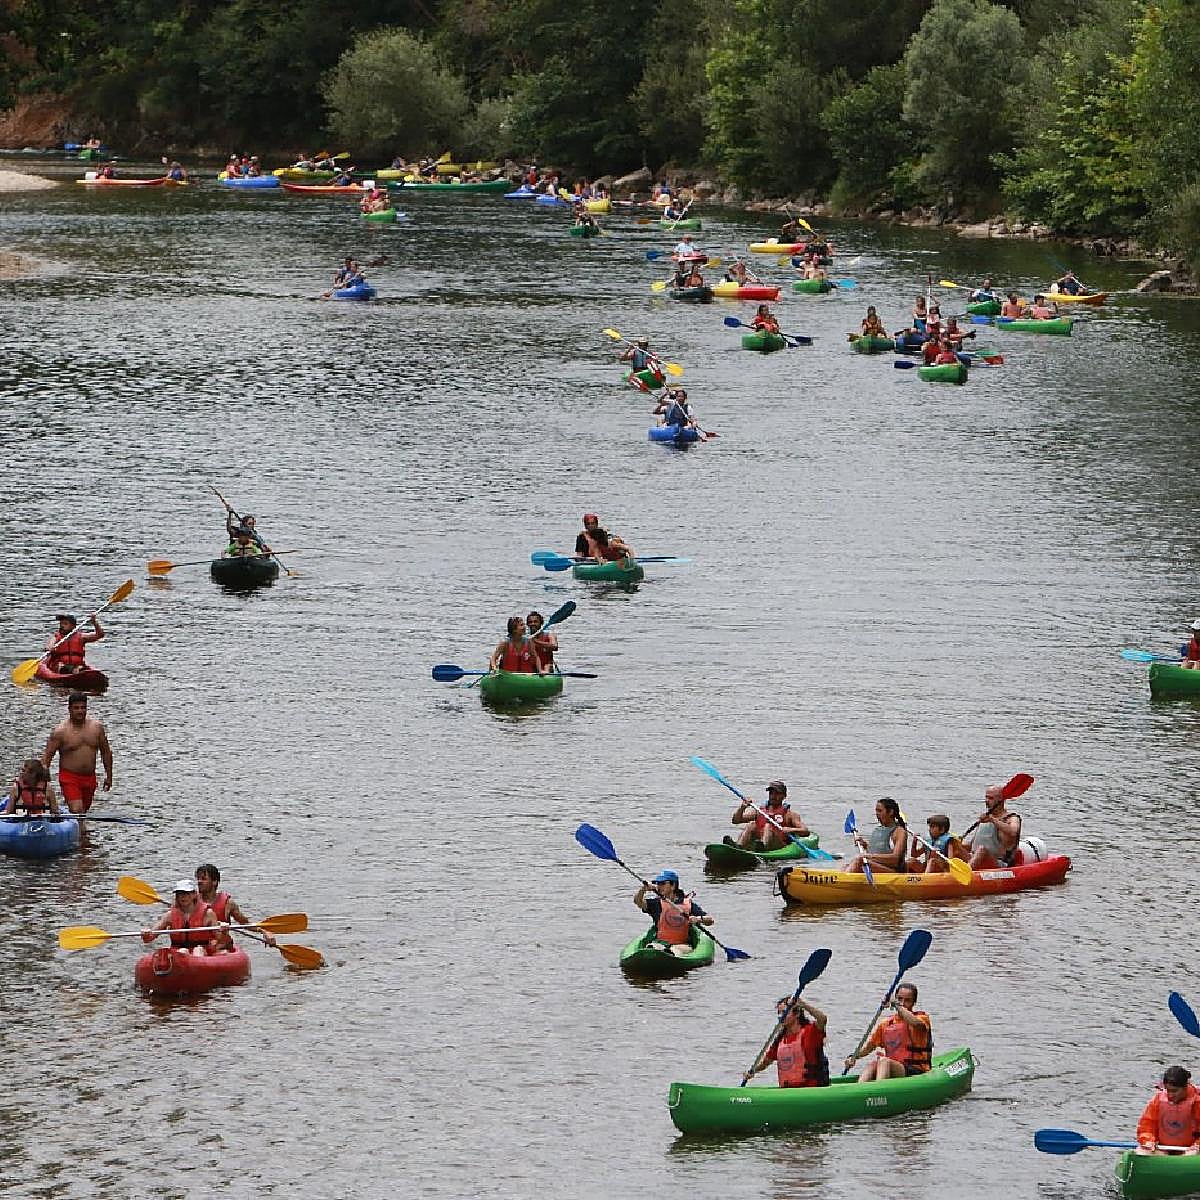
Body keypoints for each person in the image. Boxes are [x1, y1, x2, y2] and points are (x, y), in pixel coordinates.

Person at [844, 982, 933, 1081]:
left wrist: (897, 1005)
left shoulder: (922, 1018)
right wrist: (853, 1057)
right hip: (892, 1067)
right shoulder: (886, 1024)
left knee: (884, 1061)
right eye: (900, 999)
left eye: (907, 1000)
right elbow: (868, 1049)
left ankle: (879, 1090)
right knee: (873, 1064)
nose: (903, 1003)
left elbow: (915, 1023)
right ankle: (860, 1089)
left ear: (914, 1002)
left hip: (916, 1070)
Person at [42, 692, 112, 814]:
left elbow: (106, 752)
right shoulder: (60, 732)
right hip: (69, 777)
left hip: (90, 778)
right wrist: (42, 782)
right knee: (77, 809)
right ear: (69, 709)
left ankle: (81, 832)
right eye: (76, 708)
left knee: (83, 811)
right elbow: (47, 757)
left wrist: (109, 776)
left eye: (83, 708)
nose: (80, 711)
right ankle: (80, 830)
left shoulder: (97, 728)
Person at [743, 994, 829, 1087]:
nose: (781, 1016)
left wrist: (803, 1004)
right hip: (787, 1090)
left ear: (797, 1014)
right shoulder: (780, 1039)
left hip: (810, 1088)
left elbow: (822, 1019)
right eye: (779, 1013)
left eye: (784, 1012)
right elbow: (765, 1062)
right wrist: (753, 1071)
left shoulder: (810, 1032)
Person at [195, 863, 274, 951]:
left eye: (203, 879)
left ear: (214, 882)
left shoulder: (228, 903)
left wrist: (264, 932)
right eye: (198, 879)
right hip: (198, 945)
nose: (199, 882)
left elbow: (245, 923)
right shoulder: (191, 902)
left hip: (220, 945)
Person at [634, 870, 713, 954]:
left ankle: (670, 955)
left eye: (663, 883)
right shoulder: (656, 904)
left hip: (682, 945)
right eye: (658, 883)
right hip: (660, 943)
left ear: (673, 886)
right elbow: (638, 902)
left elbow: (710, 920)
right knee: (652, 948)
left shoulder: (688, 904)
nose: (659, 886)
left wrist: (698, 919)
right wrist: (643, 889)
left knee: (674, 950)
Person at [141, 879, 220, 956]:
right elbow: (148, 939)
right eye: (179, 894)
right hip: (179, 952)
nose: (183, 897)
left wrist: (223, 930)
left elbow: (220, 939)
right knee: (183, 951)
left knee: (198, 950)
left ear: (194, 894)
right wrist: (146, 934)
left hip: (202, 951)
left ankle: (196, 965)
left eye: (186, 893)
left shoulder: (208, 914)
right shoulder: (170, 915)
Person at [729, 780, 811, 851]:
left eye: (777, 793)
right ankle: (738, 846)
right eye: (771, 793)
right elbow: (736, 820)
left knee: (768, 826)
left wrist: (790, 830)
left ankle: (763, 847)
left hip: (778, 845)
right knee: (751, 825)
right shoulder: (759, 811)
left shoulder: (790, 814)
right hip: (758, 842)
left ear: (784, 796)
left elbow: (805, 831)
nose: (773, 796)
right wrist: (742, 807)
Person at [1136, 1066, 1200, 1155]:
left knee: (1192, 1154)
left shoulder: (1197, 1101)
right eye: (1168, 1090)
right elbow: (1147, 1126)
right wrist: (1148, 1140)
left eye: (1174, 1091)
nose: (1170, 1095)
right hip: (1163, 1148)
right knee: (1142, 1152)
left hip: (1191, 1150)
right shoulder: (1158, 1100)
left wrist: (1197, 1146)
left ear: (1185, 1087)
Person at [962, 783, 1021, 868]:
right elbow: (971, 846)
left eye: (991, 798)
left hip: (997, 863)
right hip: (975, 859)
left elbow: (1013, 832)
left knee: (982, 850)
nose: (986, 800)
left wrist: (992, 819)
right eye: (986, 797)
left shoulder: (1011, 818)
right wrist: (955, 844)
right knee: (953, 844)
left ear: (1001, 799)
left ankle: (964, 874)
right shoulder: (984, 819)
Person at [846, 797, 907, 873]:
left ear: (890, 812)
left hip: (892, 871)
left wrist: (867, 856)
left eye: (880, 811)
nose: (877, 814)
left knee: (859, 861)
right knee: (845, 866)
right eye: (876, 811)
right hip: (877, 866)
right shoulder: (879, 829)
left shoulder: (899, 831)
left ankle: (839, 882)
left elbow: (895, 858)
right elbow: (881, 850)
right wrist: (865, 845)